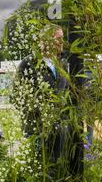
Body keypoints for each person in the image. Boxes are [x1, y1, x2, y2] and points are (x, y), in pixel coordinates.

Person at [17, 25, 70, 167]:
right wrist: (41, 113)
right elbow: (18, 96)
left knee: (57, 167)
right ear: (46, 41)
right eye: (58, 39)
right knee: (38, 170)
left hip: (58, 129)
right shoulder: (28, 63)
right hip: (36, 130)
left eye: (62, 39)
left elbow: (66, 92)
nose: (62, 43)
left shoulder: (61, 64)